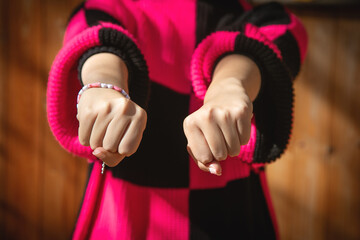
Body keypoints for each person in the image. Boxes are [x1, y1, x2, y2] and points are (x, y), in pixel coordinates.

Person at [47, 0, 307, 239]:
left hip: (233, 212)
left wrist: (230, 85)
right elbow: (98, 44)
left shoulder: (270, 21)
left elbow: (265, 46)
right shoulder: (104, 9)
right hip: (123, 213)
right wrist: (103, 85)